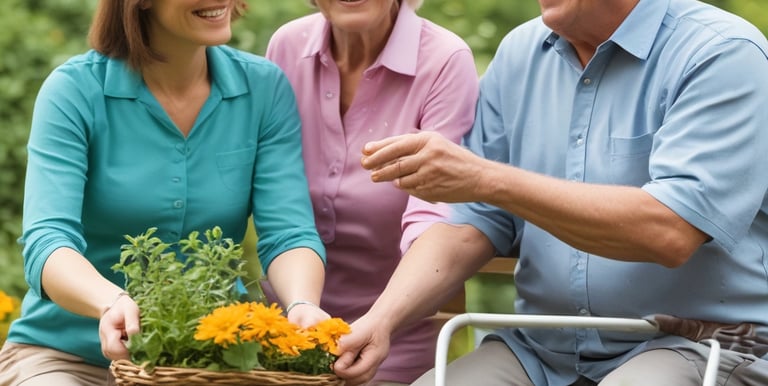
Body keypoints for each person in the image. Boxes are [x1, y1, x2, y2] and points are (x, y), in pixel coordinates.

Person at [334, 0, 768, 385]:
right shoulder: (519, 53)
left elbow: (670, 231)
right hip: (541, 350)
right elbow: (474, 220)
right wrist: (382, 320)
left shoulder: (722, 52)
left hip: (693, 344)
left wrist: (488, 179)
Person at [0, 0, 330, 385]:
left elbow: (288, 232)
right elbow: (47, 239)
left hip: (206, 362)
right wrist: (113, 302)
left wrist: (302, 304)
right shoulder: (73, 91)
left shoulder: (263, 88)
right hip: (67, 357)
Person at [263, 0, 478, 384]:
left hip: (398, 328)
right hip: (284, 324)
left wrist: (382, 322)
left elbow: (436, 217)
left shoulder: (445, 59)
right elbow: (271, 193)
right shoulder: (287, 46)